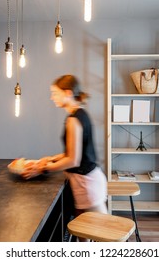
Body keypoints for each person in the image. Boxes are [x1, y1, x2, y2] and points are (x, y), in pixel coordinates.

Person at [21, 74, 108, 226]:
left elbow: (73, 160)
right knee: (83, 231)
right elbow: (73, 152)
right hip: (88, 180)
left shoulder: (73, 120)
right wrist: (50, 159)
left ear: (68, 93)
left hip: (87, 183)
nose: (51, 97)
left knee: (105, 235)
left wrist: (43, 168)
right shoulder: (80, 114)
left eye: (55, 93)